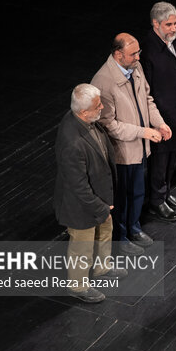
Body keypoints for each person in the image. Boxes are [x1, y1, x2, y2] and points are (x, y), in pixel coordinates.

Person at [91, 33, 172, 256]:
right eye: (133, 53)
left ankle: (134, 229)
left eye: (138, 52)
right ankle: (121, 237)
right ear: (118, 54)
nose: (138, 57)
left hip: (139, 147)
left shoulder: (135, 68)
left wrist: (160, 123)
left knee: (137, 192)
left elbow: (147, 100)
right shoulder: (103, 82)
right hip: (122, 153)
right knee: (122, 198)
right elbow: (110, 126)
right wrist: (143, 132)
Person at [53, 83, 128, 303]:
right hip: (81, 204)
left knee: (105, 231)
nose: (102, 107)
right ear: (83, 111)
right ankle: (78, 286)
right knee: (82, 246)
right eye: (98, 106)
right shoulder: (72, 142)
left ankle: (101, 268)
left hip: (100, 196)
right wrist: (100, 206)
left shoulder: (85, 120)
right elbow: (78, 186)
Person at [140, 2, 176, 221]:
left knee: (173, 157)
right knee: (160, 161)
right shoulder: (148, 49)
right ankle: (156, 200)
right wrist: (156, 121)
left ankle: (166, 192)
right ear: (155, 23)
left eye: (175, 23)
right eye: (168, 24)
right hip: (162, 115)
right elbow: (147, 90)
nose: (173, 28)